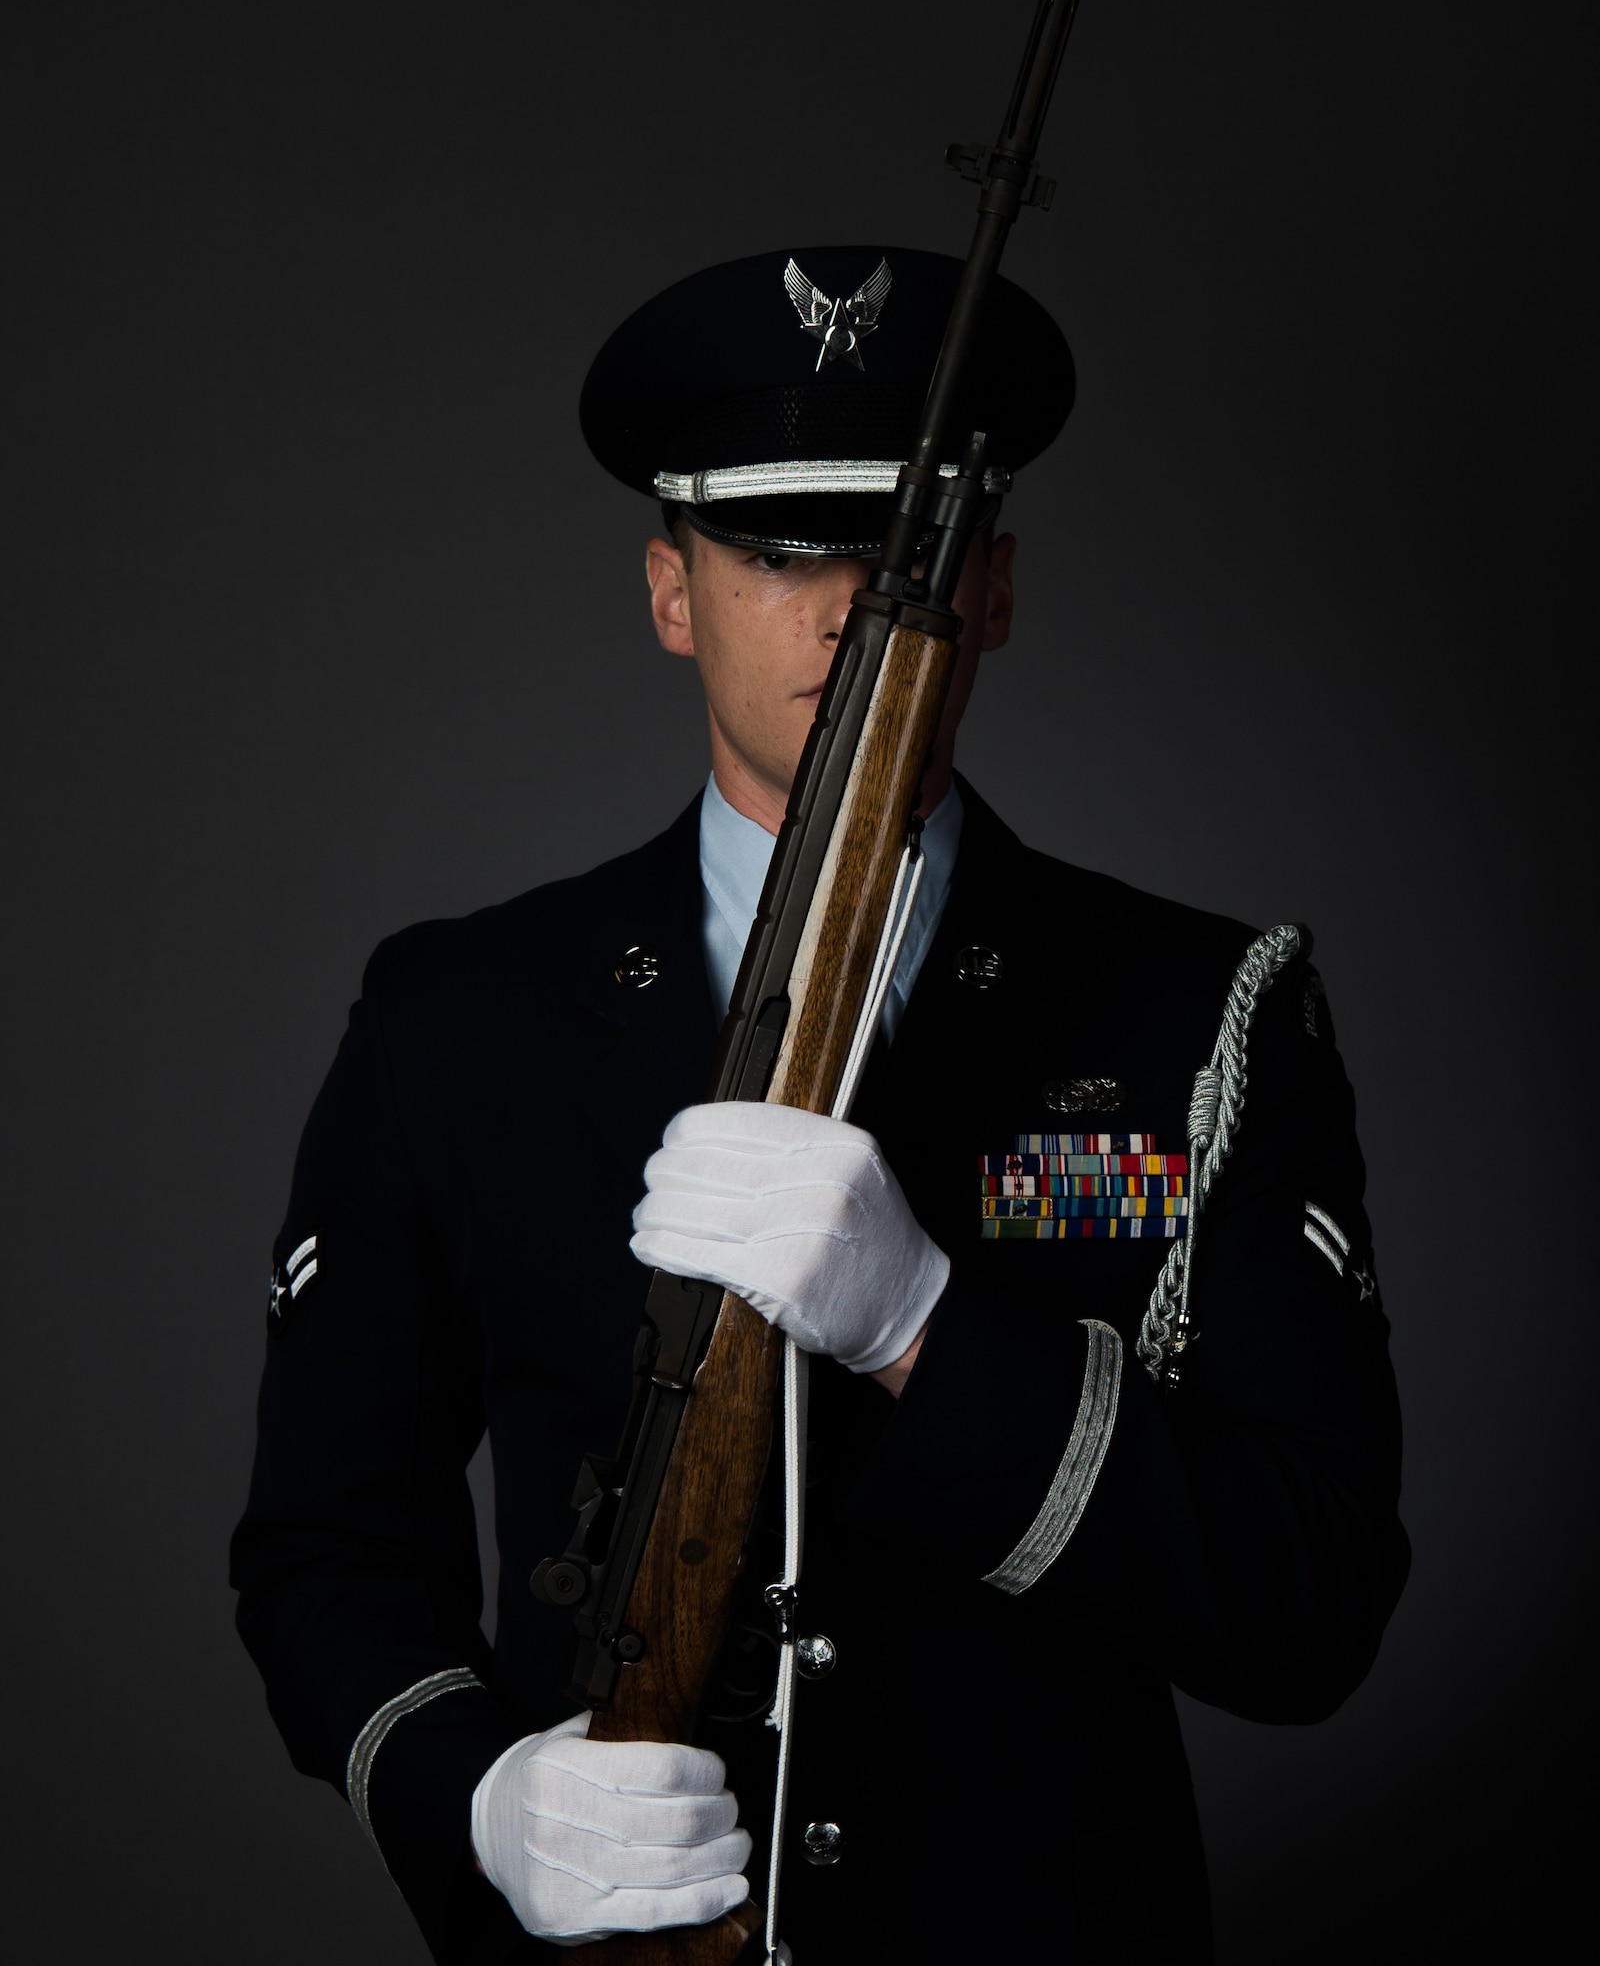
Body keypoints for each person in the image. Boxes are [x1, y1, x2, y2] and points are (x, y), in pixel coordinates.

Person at [232, 245, 1408, 1964]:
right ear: (670, 589)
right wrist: (473, 1794)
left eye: (908, 553)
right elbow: (326, 1550)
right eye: (779, 553)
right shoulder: (458, 1017)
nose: (848, 607)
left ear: (994, 588)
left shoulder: (1203, 1009)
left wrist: (929, 1327)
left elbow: (1308, 1604)